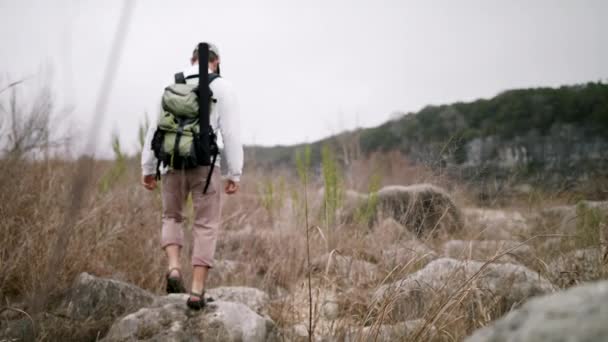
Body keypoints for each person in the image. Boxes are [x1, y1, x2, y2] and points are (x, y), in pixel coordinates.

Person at [141, 42, 243, 310]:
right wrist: (235, 172)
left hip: (171, 162)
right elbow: (231, 133)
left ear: (192, 59)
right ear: (216, 60)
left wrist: (148, 168)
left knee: (171, 216)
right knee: (206, 224)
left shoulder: (172, 83)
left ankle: (174, 268)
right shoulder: (223, 87)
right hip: (206, 166)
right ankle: (197, 291)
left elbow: (155, 128)